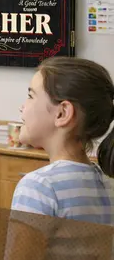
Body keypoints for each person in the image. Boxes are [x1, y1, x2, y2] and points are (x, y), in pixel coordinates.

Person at [11, 56, 113, 225]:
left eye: (31, 96)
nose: (22, 106)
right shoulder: (109, 186)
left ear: (62, 113)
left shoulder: (39, 187)